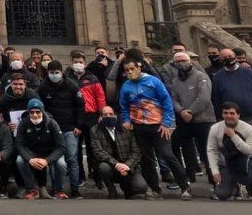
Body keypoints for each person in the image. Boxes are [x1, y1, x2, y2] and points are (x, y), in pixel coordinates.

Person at [119, 55, 192, 199]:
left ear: (139, 68)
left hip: (158, 126)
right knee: (147, 159)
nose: (130, 72)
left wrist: (166, 123)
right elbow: (123, 106)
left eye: (132, 69)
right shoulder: (126, 86)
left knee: (167, 155)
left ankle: (185, 186)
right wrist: (126, 120)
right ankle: (155, 189)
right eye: (127, 70)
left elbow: (166, 101)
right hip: (139, 127)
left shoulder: (153, 81)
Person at [207, 102, 252, 200]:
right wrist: (215, 171)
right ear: (222, 114)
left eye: (232, 113)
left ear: (238, 115)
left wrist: (233, 136)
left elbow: (251, 151)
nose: (229, 116)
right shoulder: (215, 129)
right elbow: (211, 150)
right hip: (227, 164)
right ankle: (235, 188)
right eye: (226, 113)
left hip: (246, 163)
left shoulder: (249, 129)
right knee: (222, 194)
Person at [37, 60, 85, 198]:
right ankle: (57, 188)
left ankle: (75, 189)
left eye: (56, 72)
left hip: (70, 127)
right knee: (55, 160)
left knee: (72, 159)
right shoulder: (43, 87)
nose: (54, 75)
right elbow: (41, 108)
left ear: (61, 72)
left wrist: (78, 125)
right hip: (52, 129)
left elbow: (80, 106)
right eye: (51, 73)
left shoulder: (72, 85)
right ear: (48, 72)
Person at [168, 50, 215, 183]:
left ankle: (214, 180)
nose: (181, 63)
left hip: (204, 120)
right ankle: (186, 176)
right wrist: (182, 111)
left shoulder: (201, 76)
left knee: (206, 151)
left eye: (183, 60)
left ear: (190, 62)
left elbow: (204, 97)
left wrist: (190, 112)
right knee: (175, 142)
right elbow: (174, 99)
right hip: (185, 121)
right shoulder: (175, 81)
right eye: (178, 61)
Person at [211, 48, 252, 149]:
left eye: (230, 56)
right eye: (224, 57)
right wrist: (221, 118)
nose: (228, 59)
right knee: (237, 150)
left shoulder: (249, 73)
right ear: (220, 59)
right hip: (231, 121)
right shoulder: (218, 77)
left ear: (235, 57)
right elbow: (216, 100)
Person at [89, 106, 147, 199]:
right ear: (101, 117)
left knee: (141, 187)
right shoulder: (95, 130)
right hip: (110, 165)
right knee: (103, 167)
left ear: (115, 115)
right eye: (105, 115)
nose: (108, 116)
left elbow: (136, 151)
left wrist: (127, 165)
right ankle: (111, 190)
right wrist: (117, 164)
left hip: (128, 166)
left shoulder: (126, 128)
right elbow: (98, 151)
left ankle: (127, 188)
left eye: (111, 114)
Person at [14, 99, 68, 199]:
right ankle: (32, 190)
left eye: (38, 112)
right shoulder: (23, 124)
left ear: (42, 112)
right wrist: (29, 159)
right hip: (32, 153)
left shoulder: (52, 123)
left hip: (50, 153)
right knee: (19, 160)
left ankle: (58, 190)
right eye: (32, 112)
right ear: (28, 112)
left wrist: (47, 160)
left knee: (61, 164)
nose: (35, 115)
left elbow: (61, 146)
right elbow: (19, 144)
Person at [68, 50, 106, 187]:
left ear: (84, 64)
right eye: (75, 62)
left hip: (91, 116)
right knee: (76, 149)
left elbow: (100, 97)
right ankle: (80, 176)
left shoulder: (92, 78)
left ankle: (96, 175)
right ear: (71, 63)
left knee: (93, 148)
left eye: (80, 62)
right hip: (74, 117)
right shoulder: (67, 78)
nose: (78, 64)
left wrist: (101, 114)